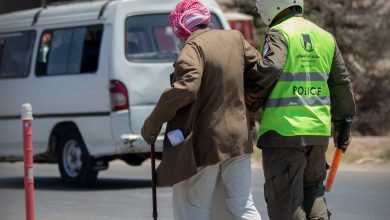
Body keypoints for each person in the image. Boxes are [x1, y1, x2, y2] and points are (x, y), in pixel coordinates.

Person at [141, 0, 262, 219]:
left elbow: (187, 87)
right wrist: (250, 96)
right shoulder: (234, 38)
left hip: (205, 143)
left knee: (193, 208)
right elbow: (261, 68)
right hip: (239, 139)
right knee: (242, 205)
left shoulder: (192, 48)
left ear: (181, 27)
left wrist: (153, 122)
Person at [245, 0, 357, 219]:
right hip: (317, 132)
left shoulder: (279, 33)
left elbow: (272, 66)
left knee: (286, 200)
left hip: (283, 132)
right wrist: (344, 124)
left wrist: (247, 90)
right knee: (313, 192)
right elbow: (341, 83)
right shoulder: (325, 37)